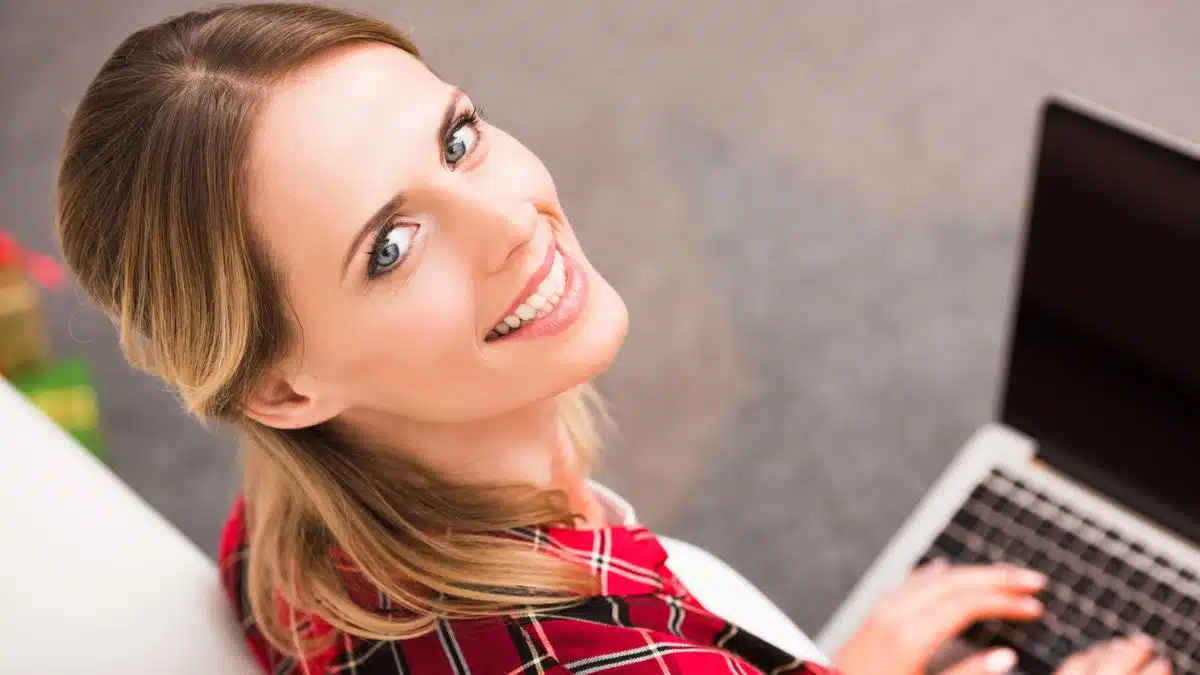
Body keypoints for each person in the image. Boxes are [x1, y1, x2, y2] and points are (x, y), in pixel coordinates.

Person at [54, 4, 1170, 674]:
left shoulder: (285, 536)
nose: (513, 222)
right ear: (283, 386)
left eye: (458, 138)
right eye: (389, 248)